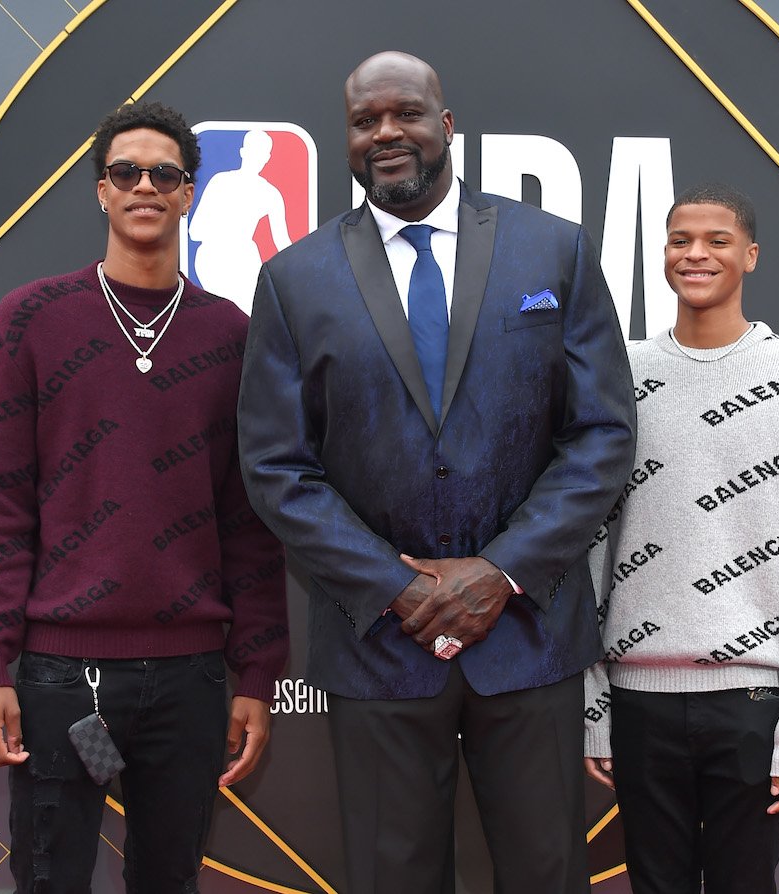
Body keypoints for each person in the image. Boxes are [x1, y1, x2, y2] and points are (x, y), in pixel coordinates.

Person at [237, 51, 635, 893]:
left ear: (447, 126)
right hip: (380, 645)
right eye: (364, 120)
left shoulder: (552, 251)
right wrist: (395, 586)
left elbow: (601, 433)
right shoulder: (294, 279)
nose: (386, 132)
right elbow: (277, 467)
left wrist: (503, 571)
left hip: (529, 639)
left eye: (406, 113)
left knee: (547, 874)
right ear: (346, 138)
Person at [0, 100, 288, 894]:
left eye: (164, 173)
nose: (146, 185)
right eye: (125, 171)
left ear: (188, 194)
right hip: (59, 680)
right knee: (50, 879)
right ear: (100, 191)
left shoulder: (231, 336)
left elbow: (249, 523)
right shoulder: (29, 320)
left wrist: (256, 676)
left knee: (169, 882)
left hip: (194, 681)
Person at [583, 182, 779, 894]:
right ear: (663, 254)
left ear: (751, 256)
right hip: (637, 701)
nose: (695, 254)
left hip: (753, 706)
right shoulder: (620, 376)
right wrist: (597, 709)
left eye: (716, 240)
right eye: (680, 240)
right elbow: (588, 553)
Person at [188, 128, 292, 311]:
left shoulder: (270, 193)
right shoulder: (220, 182)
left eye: (264, 153)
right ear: (243, 151)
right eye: (255, 151)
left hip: (246, 260)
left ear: (268, 157)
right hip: (213, 257)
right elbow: (195, 231)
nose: (259, 158)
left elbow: (283, 243)